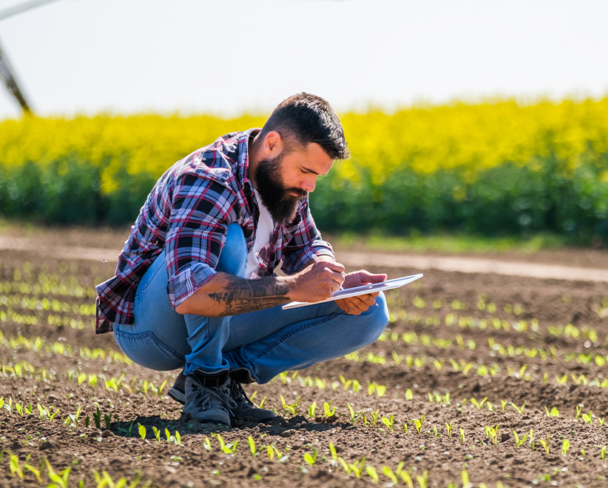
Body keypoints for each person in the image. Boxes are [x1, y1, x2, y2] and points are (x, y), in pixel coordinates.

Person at [94, 93, 389, 426]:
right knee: (230, 242)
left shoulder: (286, 183)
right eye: (306, 171)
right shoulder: (209, 178)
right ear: (273, 144)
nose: (310, 186)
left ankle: (226, 374)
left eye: (317, 177)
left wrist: (333, 279)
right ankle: (206, 377)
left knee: (370, 311)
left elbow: (307, 246)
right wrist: (293, 287)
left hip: (225, 316)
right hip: (151, 329)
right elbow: (190, 292)